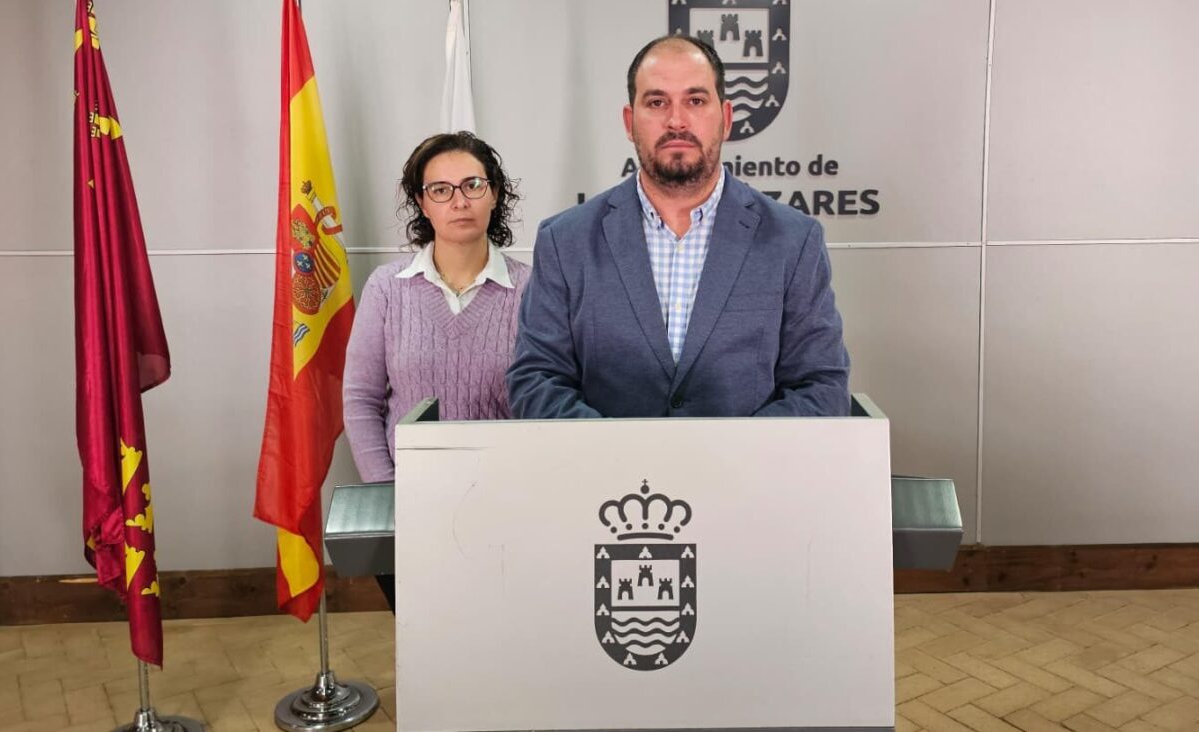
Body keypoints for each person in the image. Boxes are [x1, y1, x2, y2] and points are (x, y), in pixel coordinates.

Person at [507, 35, 849, 418]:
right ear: (629, 122)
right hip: (609, 460)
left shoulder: (793, 240)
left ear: (727, 119)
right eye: (657, 102)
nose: (676, 120)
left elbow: (821, 387)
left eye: (695, 101)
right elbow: (536, 379)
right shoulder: (565, 241)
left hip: (746, 460)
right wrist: (618, 448)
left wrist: (735, 450)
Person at [343, 131, 529, 610]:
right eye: (440, 190)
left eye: (473, 185)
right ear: (422, 204)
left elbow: (546, 401)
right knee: (422, 635)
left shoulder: (534, 290)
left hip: (506, 504)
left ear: (495, 194)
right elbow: (361, 400)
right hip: (408, 505)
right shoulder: (388, 288)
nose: (459, 201)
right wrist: (387, 493)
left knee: (500, 630)